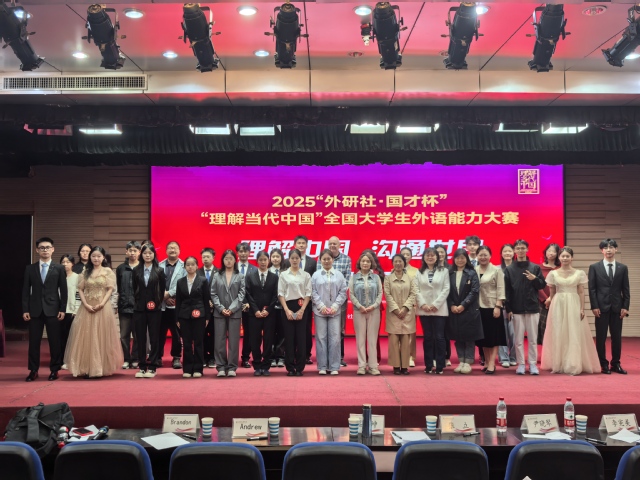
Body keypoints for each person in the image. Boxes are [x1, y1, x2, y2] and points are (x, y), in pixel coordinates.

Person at [64, 246, 123, 378]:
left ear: (103, 257)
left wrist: (102, 303)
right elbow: (80, 289)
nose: (96, 258)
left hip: (103, 307)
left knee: (102, 336)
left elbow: (110, 289)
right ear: (90, 257)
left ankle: (100, 367)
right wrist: (85, 304)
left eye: (98, 256)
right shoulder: (85, 271)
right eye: (93, 256)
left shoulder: (108, 271)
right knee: (87, 337)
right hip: (86, 307)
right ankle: (86, 367)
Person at [541, 247, 600, 375]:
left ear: (572, 258)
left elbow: (581, 291)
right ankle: (558, 363)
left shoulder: (579, 273)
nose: (565, 258)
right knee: (558, 332)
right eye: (563, 256)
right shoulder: (553, 274)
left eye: (567, 256)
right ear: (559, 257)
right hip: (558, 304)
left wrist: (582, 308)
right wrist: (550, 301)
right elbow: (552, 292)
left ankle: (573, 363)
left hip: (573, 303)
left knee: (573, 332)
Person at [22, 237, 67, 382]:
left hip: (53, 309)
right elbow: (25, 291)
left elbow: (64, 290)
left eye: (48, 247)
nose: (45, 250)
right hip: (34, 310)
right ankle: (33, 370)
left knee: (54, 341)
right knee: (34, 342)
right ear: (37, 250)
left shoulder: (59, 268)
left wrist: (63, 309)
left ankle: (54, 370)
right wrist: (25, 309)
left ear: (53, 249)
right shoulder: (30, 268)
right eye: (42, 248)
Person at [504, 239, 546, 375]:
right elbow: (507, 291)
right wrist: (509, 309)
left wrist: (535, 279)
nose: (521, 250)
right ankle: (521, 364)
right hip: (516, 309)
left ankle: (532, 364)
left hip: (532, 307)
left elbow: (541, 285)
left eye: (523, 248)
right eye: (518, 248)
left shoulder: (535, 267)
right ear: (515, 251)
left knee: (533, 339)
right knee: (518, 339)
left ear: (527, 250)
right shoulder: (509, 269)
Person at [588, 239, 630, 375]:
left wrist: (625, 306)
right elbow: (592, 289)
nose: (608, 250)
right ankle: (603, 364)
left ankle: (616, 364)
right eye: (605, 248)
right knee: (600, 337)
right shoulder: (594, 267)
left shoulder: (622, 268)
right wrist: (594, 306)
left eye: (611, 247)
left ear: (616, 249)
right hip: (601, 307)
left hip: (617, 307)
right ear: (602, 250)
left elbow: (626, 289)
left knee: (616, 337)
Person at [132, 243, 166, 378]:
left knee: (154, 337)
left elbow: (162, 290)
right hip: (139, 308)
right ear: (141, 255)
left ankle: (153, 366)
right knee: (140, 337)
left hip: (155, 309)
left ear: (154, 255)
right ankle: (141, 366)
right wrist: (139, 302)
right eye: (145, 253)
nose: (147, 255)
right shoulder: (136, 270)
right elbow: (134, 288)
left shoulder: (159, 270)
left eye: (150, 253)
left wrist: (156, 303)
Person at [312, 249, 348, 375]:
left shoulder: (339, 275)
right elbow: (313, 291)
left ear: (333, 260)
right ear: (320, 260)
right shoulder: (316, 275)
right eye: (324, 259)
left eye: (329, 259)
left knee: (335, 338)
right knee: (321, 338)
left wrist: (335, 306)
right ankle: (322, 366)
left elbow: (343, 292)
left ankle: (334, 366)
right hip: (319, 311)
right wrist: (321, 306)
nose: (326, 261)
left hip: (335, 311)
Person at [447, 249, 483, 374]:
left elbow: (474, 291)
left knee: (469, 337)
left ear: (466, 259)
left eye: (462, 258)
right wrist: (451, 305)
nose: (460, 260)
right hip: (454, 310)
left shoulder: (471, 273)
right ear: (454, 259)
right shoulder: (450, 273)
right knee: (458, 337)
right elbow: (446, 291)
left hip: (469, 310)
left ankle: (468, 362)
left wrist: (463, 305)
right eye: (457, 258)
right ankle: (461, 361)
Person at [211, 249, 245, 377]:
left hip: (234, 313)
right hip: (219, 313)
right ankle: (221, 367)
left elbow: (241, 294)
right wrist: (220, 308)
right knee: (219, 340)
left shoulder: (240, 276)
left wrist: (232, 308)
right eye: (226, 259)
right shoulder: (217, 275)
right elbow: (213, 293)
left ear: (235, 260)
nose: (229, 261)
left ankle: (232, 367)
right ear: (223, 260)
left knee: (234, 341)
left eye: (231, 258)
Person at [415, 247, 450, 375]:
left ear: (437, 257)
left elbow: (446, 289)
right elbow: (416, 289)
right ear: (423, 257)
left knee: (439, 337)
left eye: (432, 255)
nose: (430, 257)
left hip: (439, 309)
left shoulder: (444, 271)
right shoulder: (419, 272)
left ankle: (440, 365)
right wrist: (423, 304)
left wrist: (436, 304)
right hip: (424, 309)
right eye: (427, 255)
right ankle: (428, 365)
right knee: (428, 337)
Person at [318, 236, 352, 367]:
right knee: (324, 331)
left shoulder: (346, 259)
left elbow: (347, 281)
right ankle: (325, 358)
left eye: (335, 244)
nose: (332, 246)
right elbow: (318, 278)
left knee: (339, 329)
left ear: (339, 245)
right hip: (323, 300)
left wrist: (337, 301)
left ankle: (339, 357)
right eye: (330, 244)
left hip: (340, 301)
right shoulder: (321, 258)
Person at [175, 256, 211, 378]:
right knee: (186, 342)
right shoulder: (180, 282)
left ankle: (198, 369)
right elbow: (178, 301)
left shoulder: (203, 280)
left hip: (199, 314)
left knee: (199, 342)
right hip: (184, 315)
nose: (190, 267)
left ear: (197, 266)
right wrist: (177, 318)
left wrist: (207, 317)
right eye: (188, 265)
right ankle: (187, 368)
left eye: (192, 264)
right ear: (185, 267)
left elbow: (206, 300)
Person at [278, 248, 312, 376]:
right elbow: (280, 293)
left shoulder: (305, 275)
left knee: (301, 338)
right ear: (289, 259)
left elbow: (308, 293)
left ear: (300, 259)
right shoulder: (283, 275)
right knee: (289, 338)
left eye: (297, 258)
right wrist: (286, 310)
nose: (294, 260)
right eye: (292, 258)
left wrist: (302, 310)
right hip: (287, 306)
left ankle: (300, 367)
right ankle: (290, 367)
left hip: (302, 306)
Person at [245, 250, 279, 376]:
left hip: (269, 314)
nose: (263, 262)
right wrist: (256, 310)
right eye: (261, 260)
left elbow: (276, 295)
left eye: (265, 260)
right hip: (254, 314)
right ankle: (257, 365)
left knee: (268, 340)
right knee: (255, 339)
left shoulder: (274, 277)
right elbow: (248, 294)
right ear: (257, 261)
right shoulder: (250, 276)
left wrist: (268, 310)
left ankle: (266, 365)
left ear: (268, 261)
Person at [384, 254, 418, 375]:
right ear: (393, 263)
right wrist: (396, 309)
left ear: (404, 263)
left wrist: (404, 308)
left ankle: (405, 366)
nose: (398, 264)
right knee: (393, 341)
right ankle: (396, 366)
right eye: (396, 261)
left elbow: (413, 294)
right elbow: (387, 294)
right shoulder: (388, 278)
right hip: (393, 314)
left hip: (407, 313)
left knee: (405, 341)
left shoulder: (410, 278)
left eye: (400, 262)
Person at [350, 251, 383, 375]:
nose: (365, 263)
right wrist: (360, 306)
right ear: (359, 263)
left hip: (374, 311)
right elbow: (351, 294)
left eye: (368, 261)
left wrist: (373, 306)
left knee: (372, 340)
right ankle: (362, 366)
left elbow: (380, 293)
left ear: (371, 263)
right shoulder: (354, 278)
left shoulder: (376, 277)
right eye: (363, 261)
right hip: (359, 311)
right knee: (360, 340)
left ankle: (373, 366)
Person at [475, 246, 506, 374]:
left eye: (485, 255)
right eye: (480, 255)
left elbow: (501, 289)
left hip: (492, 306)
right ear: (477, 256)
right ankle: (487, 361)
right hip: (478, 307)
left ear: (490, 256)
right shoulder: (474, 270)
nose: (483, 257)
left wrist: (498, 306)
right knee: (483, 337)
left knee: (494, 337)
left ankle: (492, 363)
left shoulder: (497, 270)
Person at [158, 241, 186, 369]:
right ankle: (158, 357)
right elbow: (156, 284)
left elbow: (183, 284)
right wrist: (163, 296)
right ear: (166, 251)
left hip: (176, 305)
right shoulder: (159, 265)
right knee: (159, 332)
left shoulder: (184, 266)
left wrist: (169, 294)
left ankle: (176, 357)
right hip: (161, 305)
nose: (172, 250)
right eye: (170, 248)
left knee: (176, 333)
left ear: (179, 251)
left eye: (175, 248)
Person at [116, 241, 141, 370]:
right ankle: (126, 359)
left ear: (139, 252)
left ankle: (135, 358)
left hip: (138, 307)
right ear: (126, 252)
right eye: (130, 250)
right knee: (124, 335)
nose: (132, 253)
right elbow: (118, 288)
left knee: (137, 335)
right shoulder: (121, 268)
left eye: (135, 250)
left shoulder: (142, 267)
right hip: (124, 306)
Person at [295, 235, 317, 365]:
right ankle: (292, 353)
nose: (301, 245)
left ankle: (306, 354)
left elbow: (314, 282)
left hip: (307, 301)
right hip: (291, 301)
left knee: (306, 329)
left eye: (303, 243)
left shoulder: (312, 262)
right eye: (299, 243)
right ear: (295, 245)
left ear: (307, 245)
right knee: (292, 329)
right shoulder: (288, 261)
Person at [237, 242, 258, 369]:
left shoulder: (254, 269)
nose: (243, 253)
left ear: (249, 253)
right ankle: (229, 358)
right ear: (237, 253)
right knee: (231, 333)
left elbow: (255, 290)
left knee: (249, 333)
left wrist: (249, 303)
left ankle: (245, 358)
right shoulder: (231, 267)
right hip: (232, 305)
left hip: (249, 306)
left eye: (245, 251)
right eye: (241, 251)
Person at [197, 247, 218, 369]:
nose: (205, 259)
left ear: (213, 258)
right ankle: (203, 356)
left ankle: (213, 357)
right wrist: (205, 303)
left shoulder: (219, 272)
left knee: (215, 334)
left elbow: (221, 291)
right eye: (203, 257)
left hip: (216, 310)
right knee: (202, 334)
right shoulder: (197, 272)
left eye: (208, 257)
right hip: (201, 309)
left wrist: (214, 302)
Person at [498, 244, 517, 369]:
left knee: (514, 334)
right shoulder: (497, 269)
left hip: (515, 306)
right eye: (505, 251)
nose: (507, 253)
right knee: (502, 333)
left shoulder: (517, 268)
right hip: (500, 305)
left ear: (513, 253)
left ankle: (514, 357)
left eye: (510, 251)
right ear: (501, 254)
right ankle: (504, 358)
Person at [269, 249, 289, 368]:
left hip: (283, 306)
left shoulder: (286, 272)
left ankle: (281, 356)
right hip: (270, 307)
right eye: (273, 256)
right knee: (270, 333)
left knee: (282, 332)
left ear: (281, 258)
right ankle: (271, 357)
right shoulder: (267, 271)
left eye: (277, 256)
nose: (275, 259)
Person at [59, 254, 80, 370]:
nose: (65, 264)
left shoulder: (77, 277)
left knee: (70, 337)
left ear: (73, 264)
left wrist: (76, 309)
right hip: (59, 311)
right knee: (60, 336)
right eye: (63, 262)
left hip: (72, 310)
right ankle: (60, 359)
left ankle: (69, 360)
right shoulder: (57, 276)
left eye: (68, 262)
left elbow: (78, 294)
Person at [538, 243, 560, 346]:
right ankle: (545, 352)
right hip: (542, 302)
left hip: (557, 301)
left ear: (558, 254)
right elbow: (537, 285)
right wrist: (545, 299)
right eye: (549, 251)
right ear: (545, 252)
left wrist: (552, 298)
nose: (551, 253)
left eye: (554, 251)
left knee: (557, 326)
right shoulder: (538, 268)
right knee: (543, 327)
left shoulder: (560, 268)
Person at [434, 243, 452, 366]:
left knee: (445, 332)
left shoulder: (450, 268)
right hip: (432, 304)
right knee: (434, 332)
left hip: (447, 303)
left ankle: (446, 356)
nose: (440, 254)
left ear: (445, 254)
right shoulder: (430, 268)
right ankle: (435, 356)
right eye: (438, 252)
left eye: (442, 252)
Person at [401, 247, 419, 368]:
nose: (405, 256)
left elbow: (416, 289)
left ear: (411, 257)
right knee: (398, 331)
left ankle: (410, 356)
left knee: (411, 332)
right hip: (397, 306)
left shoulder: (415, 271)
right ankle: (399, 355)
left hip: (411, 305)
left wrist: (414, 303)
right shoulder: (393, 270)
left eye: (408, 254)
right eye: (403, 254)